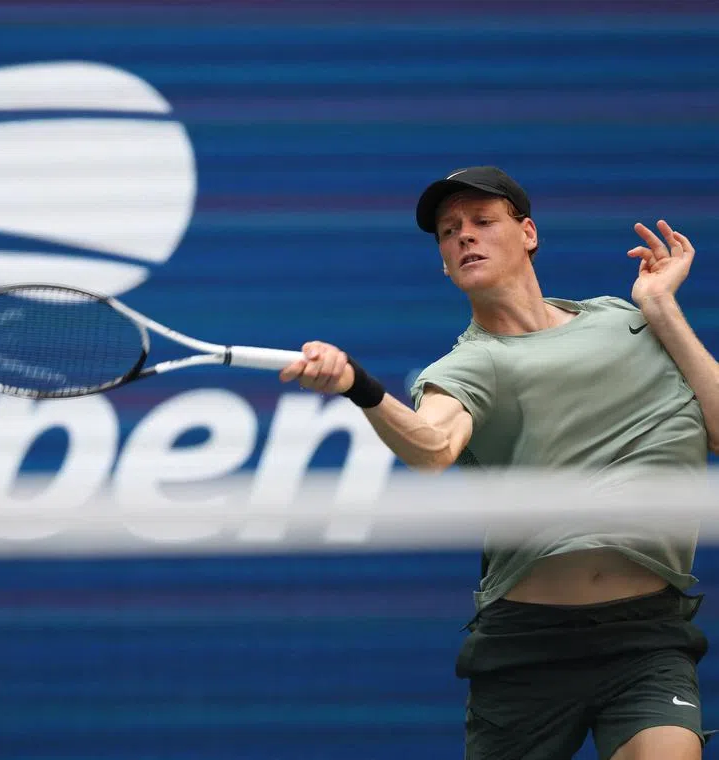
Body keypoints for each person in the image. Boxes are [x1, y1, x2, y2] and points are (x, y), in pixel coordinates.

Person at [279, 166, 719, 760]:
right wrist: (360, 385)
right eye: (448, 231)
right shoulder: (467, 368)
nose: (464, 237)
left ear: (528, 233)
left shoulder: (627, 320)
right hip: (527, 648)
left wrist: (661, 306)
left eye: (483, 222)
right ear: (443, 262)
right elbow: (432, 450)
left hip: (647, 637)